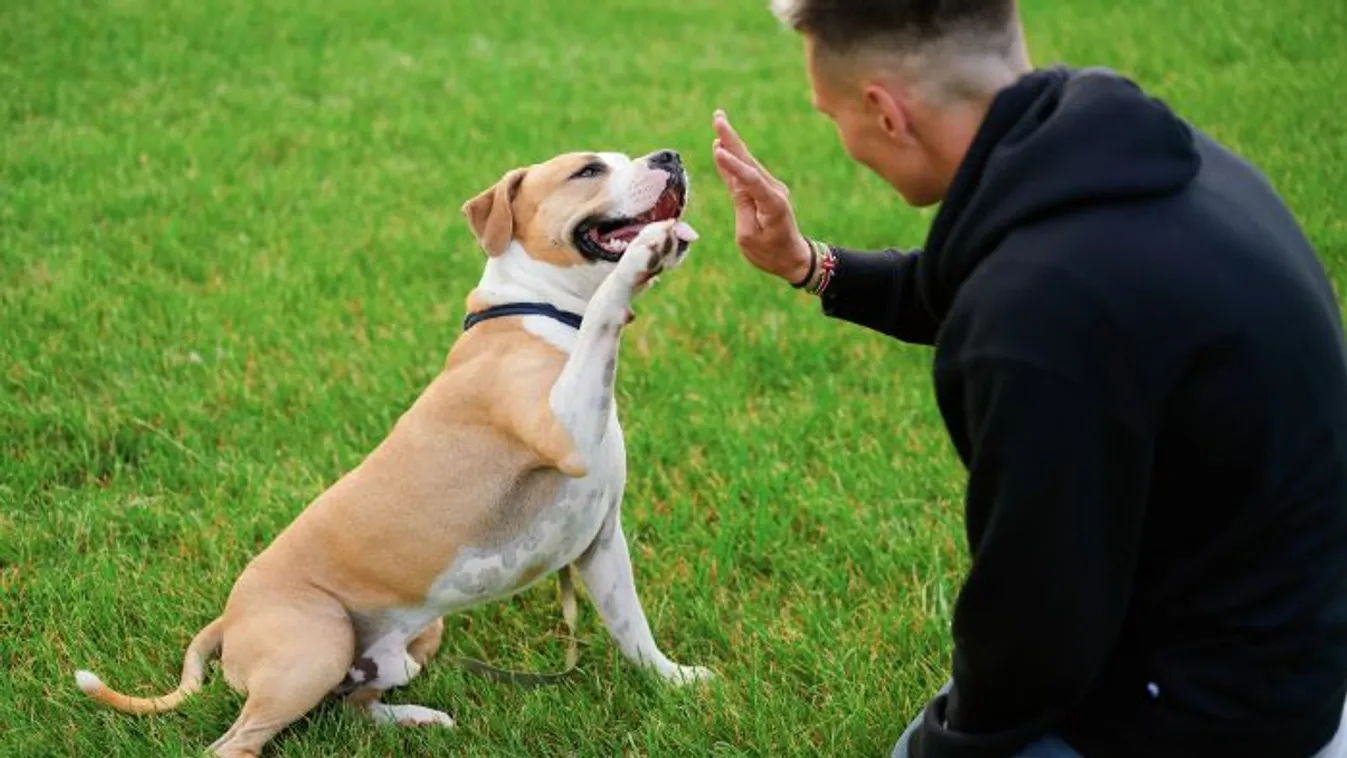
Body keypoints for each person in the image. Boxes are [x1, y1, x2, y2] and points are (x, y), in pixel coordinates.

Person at [708, 1, 1347, 757]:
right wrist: (805, 263)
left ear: (884, 112)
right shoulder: (1145, 159)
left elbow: (1035, 638)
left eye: (830, 114)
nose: (839, 137)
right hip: (1294, 638)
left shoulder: (1035, 318)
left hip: (1227, 713)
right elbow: (968, 279)